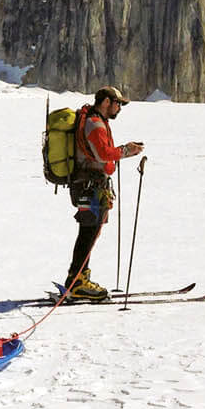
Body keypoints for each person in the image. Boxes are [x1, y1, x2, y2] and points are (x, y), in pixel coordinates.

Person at [63, 86, 145, 301]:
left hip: (88, 184)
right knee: (88, 232)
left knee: (89, 231)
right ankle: (77, 282)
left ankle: (78, 278)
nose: (120, 108)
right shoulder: (95, 123)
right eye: (118, 104)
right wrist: (126, 151)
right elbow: (103, 154)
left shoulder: (92, 120)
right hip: (89, 185)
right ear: (107, 102)